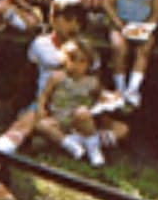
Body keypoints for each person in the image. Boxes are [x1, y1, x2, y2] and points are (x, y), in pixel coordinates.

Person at [0, 0, 125, 156]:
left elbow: (96, 83)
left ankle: (65, 141)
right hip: (47, 104)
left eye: (78, 21)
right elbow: (28, 79)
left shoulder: (86, 49)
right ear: (53, 19)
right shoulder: (41, 45)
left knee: (121, 129)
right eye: (68, 19)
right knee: (25, 123)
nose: (73, 26)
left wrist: (106, 96)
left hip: (78, 108)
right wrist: (18, 103)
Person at [34, 38, 112, 167]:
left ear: (89, 64)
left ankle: (94, 151)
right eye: (72, 59)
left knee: (83, 112)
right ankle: (71, 145)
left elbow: (101, 95)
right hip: (59, 120)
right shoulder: (57, 77)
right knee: (41, 125)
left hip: (78, 122)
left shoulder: (92, 81)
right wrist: (41, 109)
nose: (77, 65)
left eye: (82, 61)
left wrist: (107, 97)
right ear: (65, 59)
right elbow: (44, 95)